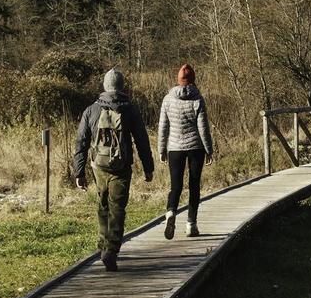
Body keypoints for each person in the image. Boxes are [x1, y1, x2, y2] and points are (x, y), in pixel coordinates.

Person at [73, 68, 153, 271]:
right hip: (121, 166)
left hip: (99, 165)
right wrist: (148, 167)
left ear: (105, 86)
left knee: (102, 204)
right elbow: (142, 140)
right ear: (122, 86)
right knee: (117, 207)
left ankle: (103, 245)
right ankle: (111, 249)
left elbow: (81, 142)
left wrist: (79, 172)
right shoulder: (130, 109)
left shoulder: (91, 110)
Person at [158, 63, 214, 239]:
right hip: (196, 148)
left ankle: (171, 212)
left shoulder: (168, 99)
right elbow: (203, 128)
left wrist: (161, 149)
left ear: (178, 79)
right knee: (194, 185)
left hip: (174, 148)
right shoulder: (198, 99)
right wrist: (209, 149)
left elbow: (163, 126)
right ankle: (191, 224)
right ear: (193, 80)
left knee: (176, 186)